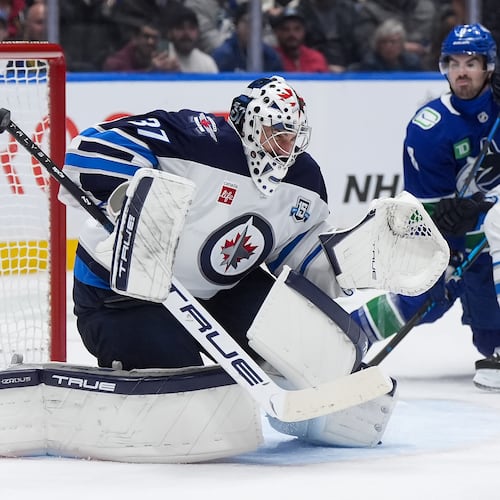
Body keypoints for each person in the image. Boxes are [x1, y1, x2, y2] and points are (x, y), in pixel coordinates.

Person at [58, 75, 449, 448]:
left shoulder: (304, 178)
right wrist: (129, 196)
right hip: (121, 296)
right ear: (246, 122)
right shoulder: (195, 138)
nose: (284, 145)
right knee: (189, 402)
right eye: (275, 132)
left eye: (292, 135)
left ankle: (325, 404)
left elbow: (305, 260)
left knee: (302, 330)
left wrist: (364, 259)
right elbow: (89, 146)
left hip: (219, 294)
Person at [352, 24, 500, 390]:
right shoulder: (429, 128)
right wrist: (448, 248)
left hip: (492, 225)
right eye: (454, 62)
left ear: (489, 67)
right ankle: (347, 332)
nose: (462, 71)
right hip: (466, 232)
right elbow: (432, 214)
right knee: (430, 296)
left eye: (472, 62)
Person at [212, 2, 283, 72]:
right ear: (236, 25)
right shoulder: (223, 55)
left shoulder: (270, 55)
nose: (252, 27)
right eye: (247, 22)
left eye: (257, 23)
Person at [102, 19, 180, 72]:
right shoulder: (116, 62)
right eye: (146, 36)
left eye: (154, 38)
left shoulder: (160, 58)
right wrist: (151, 70)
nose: (151, 41)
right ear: (134, 38)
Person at [348, 18, 422, 71]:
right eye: (384, 42)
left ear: (401, 44)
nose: (388, 46)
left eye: (393, 42)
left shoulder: (411, 63)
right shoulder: (370, 64)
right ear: (378, 45)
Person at [272, 6, 329, 72]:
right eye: (286, 29)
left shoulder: (316, 58)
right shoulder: (270, 58)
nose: (292, 34)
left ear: (304, 31)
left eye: (297, 29)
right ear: (277, 32)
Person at [166, 6, 219, 73]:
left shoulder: (207, 64)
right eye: (180, 28)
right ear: (170, 32)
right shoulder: (162, 59)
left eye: (192, 28)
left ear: (198, 32)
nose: (186, 33)